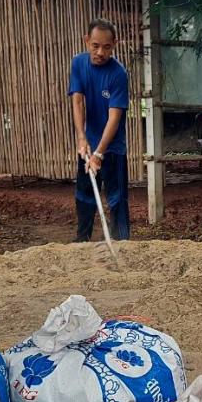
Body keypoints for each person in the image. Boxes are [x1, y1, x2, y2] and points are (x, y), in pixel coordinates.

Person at [69, 18, 130, 241]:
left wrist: (99, 153)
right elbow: (77, 101)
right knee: (84, 196)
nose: (100, 52)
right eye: (95, 46)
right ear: (86, 40)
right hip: (88, 145)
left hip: (112, 148)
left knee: (117, 199)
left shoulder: (118, 74)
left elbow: (114, 118)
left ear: (114, 45)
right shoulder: (78, 64)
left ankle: (121, 244)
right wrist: (82, 138)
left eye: (106, 47)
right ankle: (82, 241)